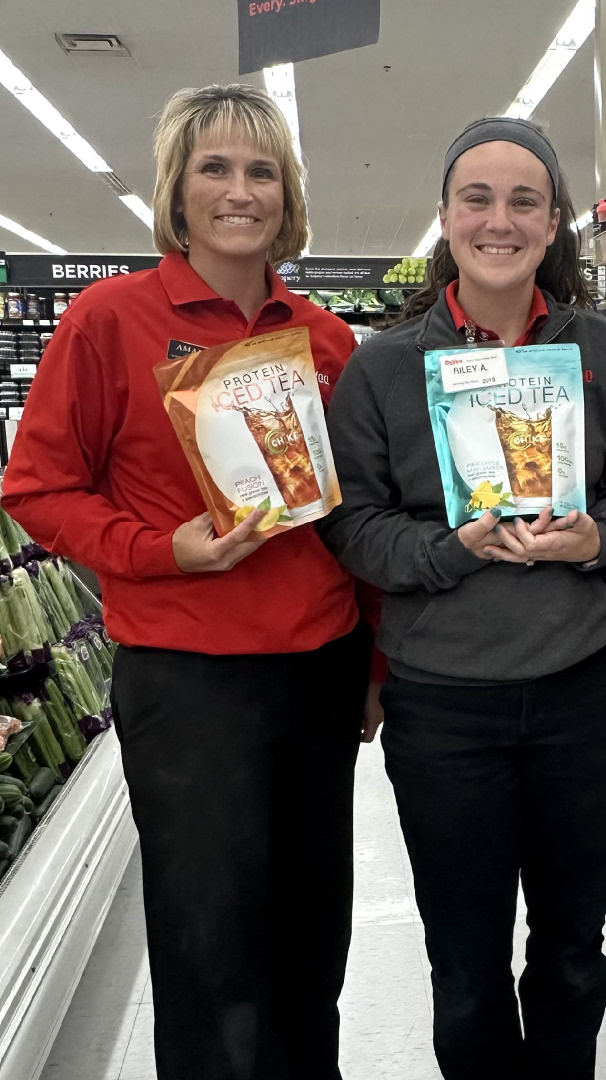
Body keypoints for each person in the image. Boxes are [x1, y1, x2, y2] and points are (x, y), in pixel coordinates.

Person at [1, 84, 379, 1080]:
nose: (240, 191)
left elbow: (356, 523)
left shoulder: (328, 341)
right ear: (176, 186)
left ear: (287, 192)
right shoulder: (108, 321)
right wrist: (168, 548)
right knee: (209, 954)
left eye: (261, 171)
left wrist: (376, 664)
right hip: (188, 681)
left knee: (311, 944)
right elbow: (37, 487)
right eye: (215, 167)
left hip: (319, 675)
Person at [318, 117, 606, 1079]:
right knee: (463, 964)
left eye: (524, 201)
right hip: (443, 706)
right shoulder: (384, 368)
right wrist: (450, 550)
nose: (499, 221)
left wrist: (602, 537)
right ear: (445, 219)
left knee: (571, 952)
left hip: (586, 691)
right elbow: (352, 525)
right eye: (478, 198)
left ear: (555, 226)